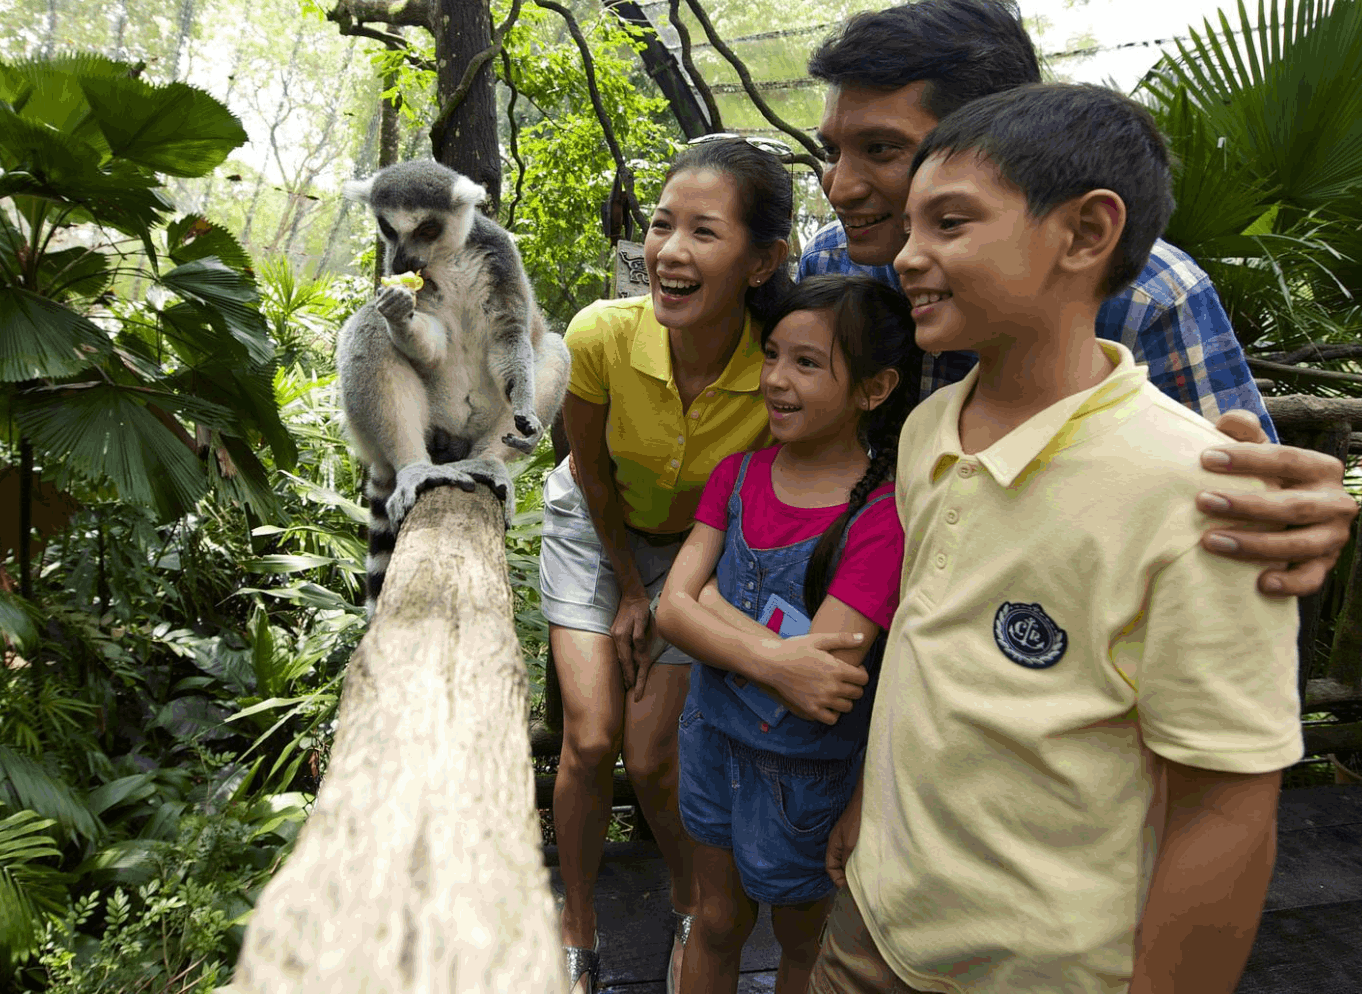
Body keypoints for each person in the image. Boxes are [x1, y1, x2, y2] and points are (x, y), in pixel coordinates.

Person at [809, 82, 1304, 993]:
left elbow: (1225, 803)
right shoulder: (928, 429)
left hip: (1045, 965)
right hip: (875, 921)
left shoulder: (1196, 491)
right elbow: (928, 653)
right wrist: (867, 807)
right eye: (910, 227)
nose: (908, 257)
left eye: (949, 224)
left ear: (1083, 234)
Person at [799, 0, 1357, 595]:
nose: (839, 185)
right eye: (831, 151)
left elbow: (1244, 503)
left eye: (881, 149)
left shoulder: (1149, 294)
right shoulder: (832, 262)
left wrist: (1290, 514)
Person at [541, 136, 795, 994]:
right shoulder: (601, 336)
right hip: (596, 526)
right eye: (660, 225)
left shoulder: (778, 368)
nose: (669, 251)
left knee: (653, 756)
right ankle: (576, 924)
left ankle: (694, 905)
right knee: (591, 736)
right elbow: (590, 473)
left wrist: (668, 592)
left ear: (761, 262)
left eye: (703, 232)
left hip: (699, 546)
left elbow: (743, 505)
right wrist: (624, 589)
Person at [654, 275, 921, 994]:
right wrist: (772, 655)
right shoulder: (735, 475)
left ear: (873, 388)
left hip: (804, 777)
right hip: (710, 739)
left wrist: (709, 600)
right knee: (714, 919)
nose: (775, 378)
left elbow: (819, 685)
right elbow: (667, 610)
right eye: (772, 355)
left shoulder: (880, 517)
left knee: (803, 941)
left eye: (807, 363)